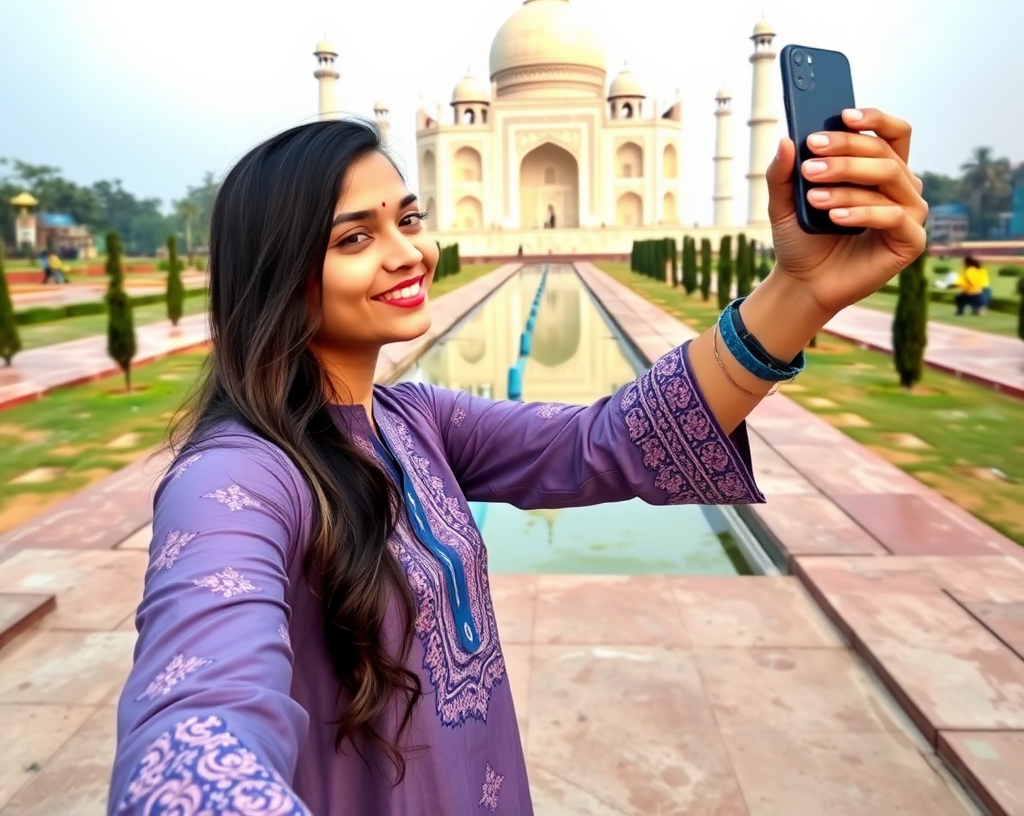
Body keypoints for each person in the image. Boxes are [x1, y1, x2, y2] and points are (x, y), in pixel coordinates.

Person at [109, 110, 927, 816]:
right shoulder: (235, 477)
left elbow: (611, 442)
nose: (406, 254)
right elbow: (198, 708)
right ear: (278, 271)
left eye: (408, 219)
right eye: (355, 237)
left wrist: (804, 291)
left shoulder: (413, 419)